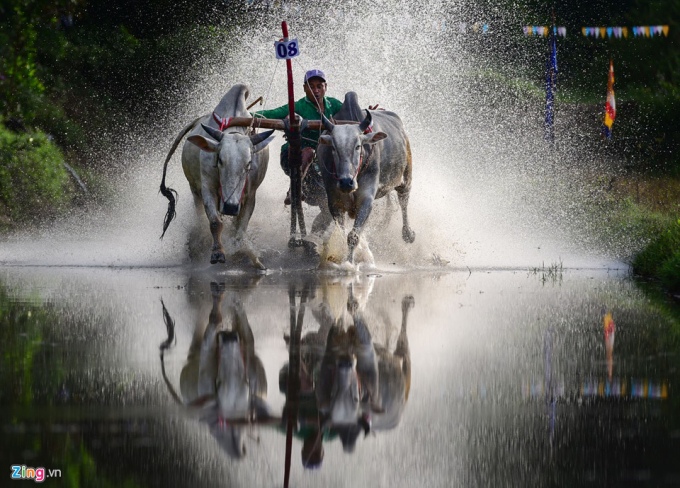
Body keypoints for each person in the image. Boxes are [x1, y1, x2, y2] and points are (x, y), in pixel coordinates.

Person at [252, 69, 343, 206]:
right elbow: (272, 113)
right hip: (294, 157)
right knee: (309, 152)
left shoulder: (334, 104)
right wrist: (246, 116)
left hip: (323, 161)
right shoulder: (298, 106)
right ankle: (294, 189)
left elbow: (354, 115)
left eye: (319, 86)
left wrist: (370, 112)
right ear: (305, 88)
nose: (316, 90)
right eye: (311, 87)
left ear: (325, 87)